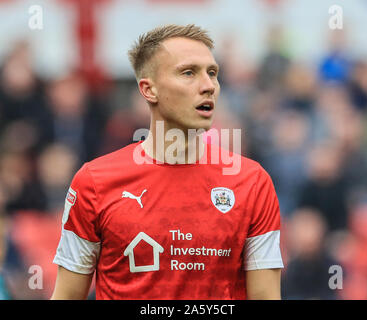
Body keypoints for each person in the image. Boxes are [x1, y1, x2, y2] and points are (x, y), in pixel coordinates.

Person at [51, 24, 283, 300]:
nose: (208, 86)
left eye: (212, 73)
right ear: (149, 90)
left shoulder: (252, 182)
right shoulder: (94, 182)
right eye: (188, 73)